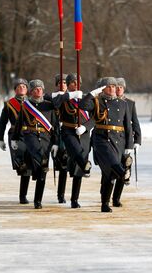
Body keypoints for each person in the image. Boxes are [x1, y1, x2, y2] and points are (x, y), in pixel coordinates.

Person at [79, 77, 133, 212]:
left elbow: (127, 126)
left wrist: (129, 145)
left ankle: (105, 203)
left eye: (114, 86)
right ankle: (123, 172)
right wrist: (92, 94)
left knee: (109, 174)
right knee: (113, 164)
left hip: (118, 140)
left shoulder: (123, 104)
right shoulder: (97, 101)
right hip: (102, 139)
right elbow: (82, 106)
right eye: (108, 86)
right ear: (103, 89)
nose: (112, 89)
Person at [12, 79, 59, 209]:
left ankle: (37, 200)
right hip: (30, 137)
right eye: (35, 89)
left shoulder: (49, 105)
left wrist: (56, 142)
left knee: (43, 170)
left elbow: (55, 126)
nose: (38, 91)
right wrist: (15, 138)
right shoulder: (26, 106)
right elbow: (19, 123)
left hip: (46, 139)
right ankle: (25, 194)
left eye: (40, 88)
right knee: (40, 163)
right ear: (31, 91)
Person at [56, 73, 91, 208]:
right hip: (68, 132)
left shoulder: (86, 98)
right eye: (72, 83)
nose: (75, 85)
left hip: (83, 134)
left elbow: (94, 118)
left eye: (78, 82)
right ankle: (61, 194)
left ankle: (74, 199)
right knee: (75, 159)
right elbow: (56, 104)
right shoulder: (63, 98)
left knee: (79, 170)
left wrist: (86, 127)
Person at [0, 78, 32, 204]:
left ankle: (23, 196)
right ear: (15, 89)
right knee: (22, 165)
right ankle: (22, 195)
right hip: (15, 136)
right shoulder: (9, 104)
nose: (21, 88)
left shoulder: (33, 102)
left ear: (27, 89)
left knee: (28, 168)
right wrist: (0, 138)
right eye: (18, 86)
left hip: (30, 135)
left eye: (24, 86)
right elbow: (2, 122)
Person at [116, 78, 141, 183]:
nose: (118, 90)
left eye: (121, 87)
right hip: (115, 135)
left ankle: (126, 176)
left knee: (126, 160)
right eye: (117, 88)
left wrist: (137, 141)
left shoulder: (130, 103)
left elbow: (135, 122)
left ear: (124, 89)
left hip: (127, 135)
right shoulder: (111, 102)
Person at [49, 74, 69, 203]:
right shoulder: (51, 98)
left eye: (65, 83)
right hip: (54, 133)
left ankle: (64, 194)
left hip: (68, 133)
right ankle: (60, 194)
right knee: (60, 165)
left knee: (66, 165)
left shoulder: (73, 97)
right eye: (60, 83)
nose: (62, 85)